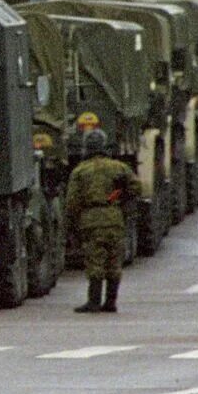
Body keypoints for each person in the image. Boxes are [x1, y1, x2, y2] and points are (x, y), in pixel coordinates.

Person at [64, 128, 141, 315]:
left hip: (91, 221)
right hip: (114, 218)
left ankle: (93, 302)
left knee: (95, 262)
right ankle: (111, 302)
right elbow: (136, 187)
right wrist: (119, 198)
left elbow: (72, 202)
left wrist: (72, 223)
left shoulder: (80, 171)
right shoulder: (118, 167)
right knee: (114, 262)